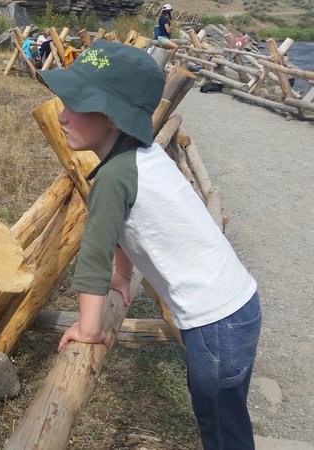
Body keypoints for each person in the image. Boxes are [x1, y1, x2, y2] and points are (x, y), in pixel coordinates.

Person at [37, 41, 261, 449]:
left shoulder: (114, 177)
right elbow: (126, 226)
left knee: (220, 429)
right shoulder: (140, 155)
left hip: (215, 324)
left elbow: (94, 253)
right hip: (237, 308)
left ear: (113, 117)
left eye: (78, 105)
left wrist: (89, 328)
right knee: (227, 417)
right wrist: (123, 276)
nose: (63, 115)